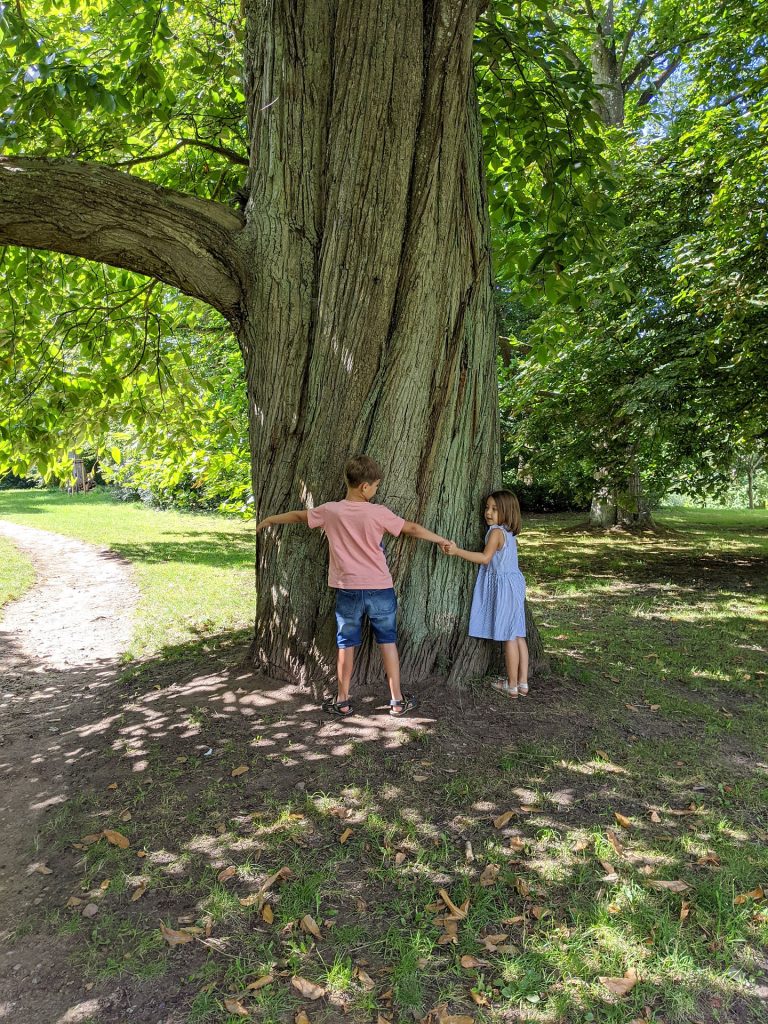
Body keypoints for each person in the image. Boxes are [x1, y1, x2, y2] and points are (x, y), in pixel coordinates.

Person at [254, 455, 449, 718]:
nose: (377, 490)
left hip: (347, 589)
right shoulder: (378, 512)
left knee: (346, 643)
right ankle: (396, 700)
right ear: (365, 487)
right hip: (380, 588)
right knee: (388, 641)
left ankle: (343, 700)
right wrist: (440, 540)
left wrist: (271, 519)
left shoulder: (331, 511)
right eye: (376, 486)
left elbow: (300, 515)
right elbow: (411, 528)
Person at [444, 490, 529, 698]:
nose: (488, 513)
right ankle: (522, 683)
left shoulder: (496, 533)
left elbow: (484, 558)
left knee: (509, 636)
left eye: (495, 509)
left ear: (507, 512)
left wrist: (457, 551)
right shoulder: (509, 532)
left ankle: (511, 685)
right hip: (514, 584)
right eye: (487, 508)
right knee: (518, 634)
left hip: (504, 587)